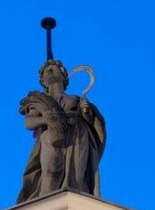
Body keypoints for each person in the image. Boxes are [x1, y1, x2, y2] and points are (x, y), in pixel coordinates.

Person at [18, 58, 105, 201]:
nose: (50, 71)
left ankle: (77, 204)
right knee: (51, 169)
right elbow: (29, 122)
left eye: (53, 68)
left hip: (77, 133)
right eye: (47, 71)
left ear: (64, 75)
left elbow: (91, 122)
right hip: (51, 134)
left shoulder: (74, 98)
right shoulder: (41, 101)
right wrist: (47, 119)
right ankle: (46, 205)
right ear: (43, 81)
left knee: (77, 176)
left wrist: (86, 111)